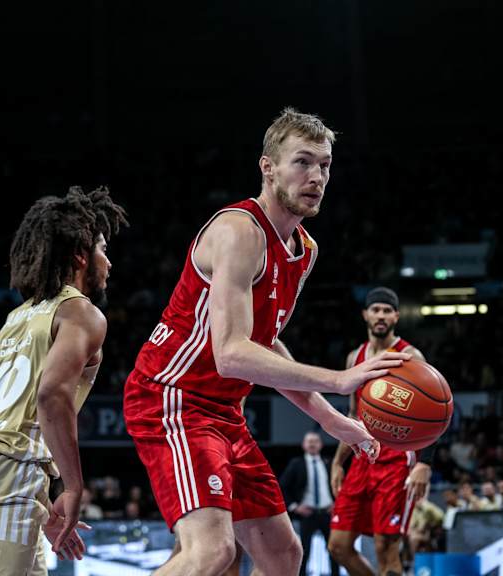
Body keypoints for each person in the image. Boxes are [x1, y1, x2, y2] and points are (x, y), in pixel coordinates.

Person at [123, 108, 408, 576]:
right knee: (213, 552)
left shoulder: (305, 250)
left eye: (325, 164)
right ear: (268, 167)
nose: (316, 176)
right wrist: (338, 380)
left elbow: (266, 345)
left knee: (283, 555)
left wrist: (333, 420)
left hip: (224, 412)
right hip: (171, 397)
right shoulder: (238, 231)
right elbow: (232, 354)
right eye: (302, 162)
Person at [0, 187, 128, 575]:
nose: (109, 263)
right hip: (8, 473)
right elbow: (51, 397)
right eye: (102, 249)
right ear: (81, 255)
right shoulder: (82, 313)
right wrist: (75, 488)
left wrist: (40, 504)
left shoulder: (20, 315)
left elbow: (19, 414)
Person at [328, 287, 431, 576]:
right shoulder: (354, 357)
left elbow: (435, 413)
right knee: (338, 546)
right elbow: (353, 415)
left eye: (387, 310)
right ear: (366, 315)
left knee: (386, 547)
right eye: (376, 310)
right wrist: (338, 461)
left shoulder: (410, 356)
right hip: (363, 457)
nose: (381, 315)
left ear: (397, 316)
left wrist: (425, 462)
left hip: (397, 460)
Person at [280, 431, 340, 576]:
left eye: (315, 441)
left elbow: (341, 485)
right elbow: (282, 486)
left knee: (335, 551)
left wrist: (337, 504)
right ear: (304, 445)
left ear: (320, 445)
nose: (312, 444)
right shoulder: (296, 464)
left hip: (327, 512)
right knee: (303, 551)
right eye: (309, 441)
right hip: (308, 514)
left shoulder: (330, 463)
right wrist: (295, 506)